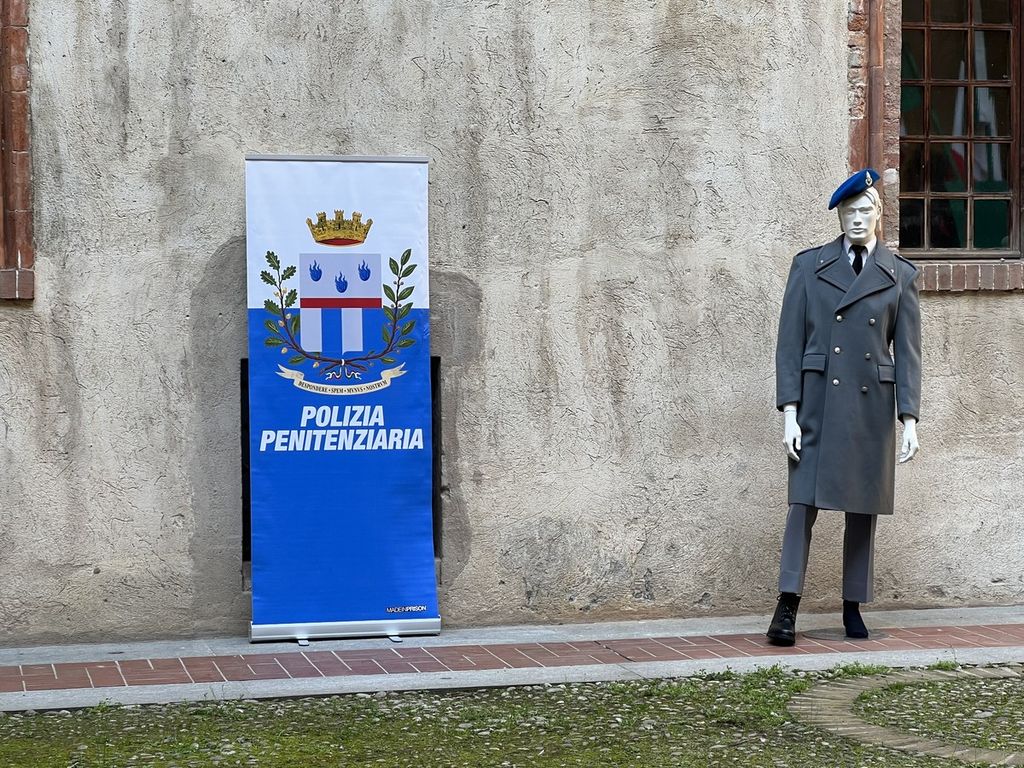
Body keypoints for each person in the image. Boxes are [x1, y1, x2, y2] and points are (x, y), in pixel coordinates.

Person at [767, 169, 921, 646]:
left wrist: (909, 419)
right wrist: (789, 413)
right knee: (802, 504)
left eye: (864, 211)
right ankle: (787, 604)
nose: (856, 219)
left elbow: (908, 354)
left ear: (879, 215)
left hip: (870, 406)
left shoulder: (900, 275)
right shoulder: (808, 267)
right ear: (839, 217)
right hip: (817, 403)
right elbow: (789, 346)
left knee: (862, 507)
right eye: (848, 212)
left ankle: (853, 604)